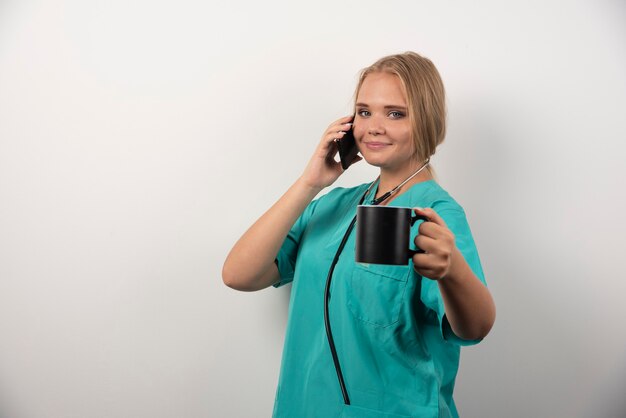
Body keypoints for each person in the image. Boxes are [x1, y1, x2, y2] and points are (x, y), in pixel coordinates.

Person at [222, 51, 496, 418]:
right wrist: (310, 183)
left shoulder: (435, 214)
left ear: (427, 120)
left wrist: (453, 271)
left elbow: (474, 328)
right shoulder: (333, 205)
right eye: (364, 112)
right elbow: (239, 274)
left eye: (395, 113)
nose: (373, 127)